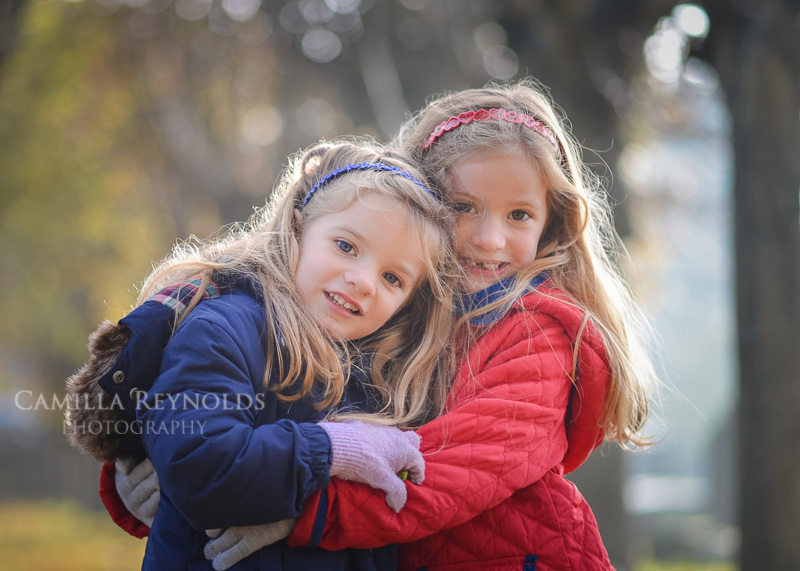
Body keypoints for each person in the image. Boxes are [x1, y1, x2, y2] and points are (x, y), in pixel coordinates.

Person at [208, 78, 660, 571]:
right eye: (463, 207)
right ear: (419, 202)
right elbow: (255, 399)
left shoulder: (540, 337)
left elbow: (449, 471)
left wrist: (295, 508)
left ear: (550, 223)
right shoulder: (384, 300)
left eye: (519, 215)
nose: (490, 239)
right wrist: (158, 470)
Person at [76, 138, 460, 570]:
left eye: (393, 278)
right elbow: (201, 467)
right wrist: (331, 449)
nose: (364, 281)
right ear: (297, 230)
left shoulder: (386, 381)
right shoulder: (223, 330)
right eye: (346, 246)